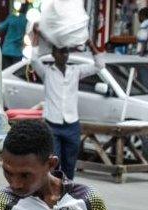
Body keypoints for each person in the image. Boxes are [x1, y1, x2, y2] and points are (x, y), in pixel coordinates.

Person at [28, 33, 105, 180]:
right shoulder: (47, 72)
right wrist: (37, 35)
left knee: (70, 163)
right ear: (54, 54)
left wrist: (89, 43)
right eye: (61, 51)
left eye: (66, 51)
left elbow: (99, 65)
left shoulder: (75, 71)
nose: (64, 55)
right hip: (52, 124)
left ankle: (67, 192)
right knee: (53, 162)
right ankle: (52, 192)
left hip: (72, 124)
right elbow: (33, 59)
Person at [0, 2, 29, 68]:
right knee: (15, 76)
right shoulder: (27, 21)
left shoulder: (12, 17)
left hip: (7, 50)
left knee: (5, 74)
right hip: (18, 53)